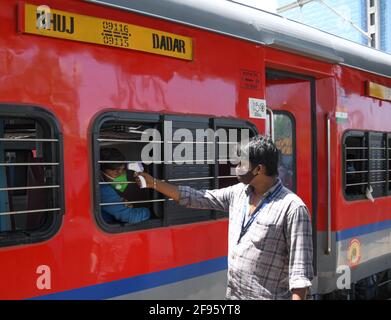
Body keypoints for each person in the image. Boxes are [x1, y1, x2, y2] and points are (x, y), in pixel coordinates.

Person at [134, 136, 313, 300]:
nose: (235, 168)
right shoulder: (238, 194)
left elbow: (299, 275)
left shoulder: (292, 208)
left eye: (241, 163)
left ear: (259, 169)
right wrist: (153, 183)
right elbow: (198, 197)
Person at [100, 148, 151, 224]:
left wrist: (123, 205)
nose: (121, 174)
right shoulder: (103, 190)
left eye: (123, 169)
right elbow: (131, 217)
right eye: (116, 172)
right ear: (100, 171)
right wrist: (151, 211)